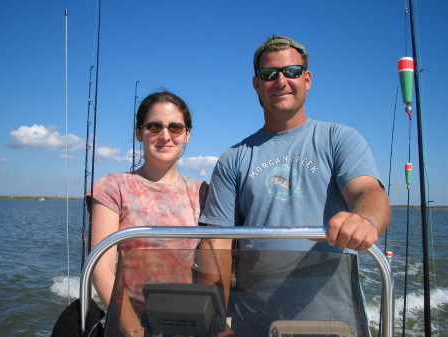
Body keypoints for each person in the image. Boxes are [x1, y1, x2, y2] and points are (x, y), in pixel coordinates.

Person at [199, 35, 391, 335]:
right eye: (269, 74)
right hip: (252, 322)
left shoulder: (340, 138)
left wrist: (364, 219)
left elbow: (368, 192)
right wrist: (213, 324)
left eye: (291, 71)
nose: (281, 80)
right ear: (257, 84)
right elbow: (217, 244)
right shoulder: (232, 159)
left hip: (335, 322)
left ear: (307, 79)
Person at [87, 91, 208, 337]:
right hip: (128, 324)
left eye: (175, 128)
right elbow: (102, 269)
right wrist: (136, 332)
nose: (165, 136)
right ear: (138, 132)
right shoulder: (112, 186)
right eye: (154, 127)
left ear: (187, 134)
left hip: (189, 324)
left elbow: (213, 265)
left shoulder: (203, 192)